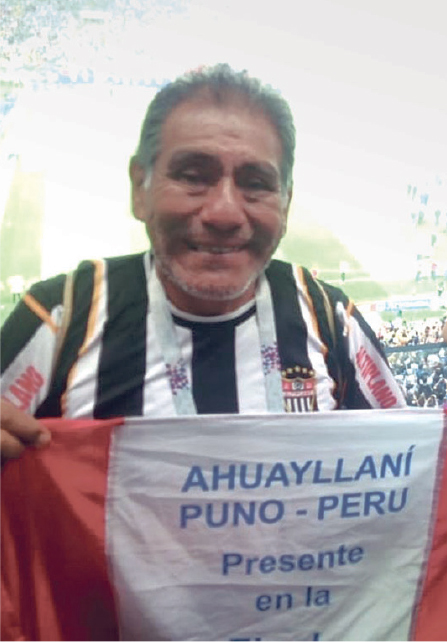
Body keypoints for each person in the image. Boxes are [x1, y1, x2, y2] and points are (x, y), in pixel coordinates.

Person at [0, 64, 406, 463]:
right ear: (139, 188)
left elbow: (408, 465)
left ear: (285, 203)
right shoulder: (61, 318)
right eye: (193, 176)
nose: (223, 213)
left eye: (256, 184)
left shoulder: (331, 320)